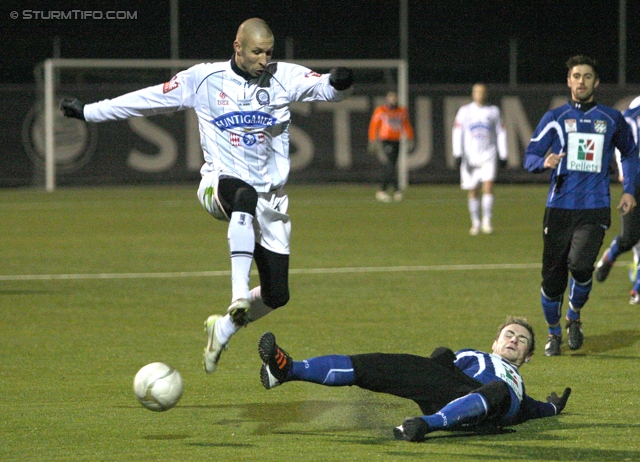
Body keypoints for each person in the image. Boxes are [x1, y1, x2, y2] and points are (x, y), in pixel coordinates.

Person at [59, 18, 354, 374]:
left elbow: (325, 88)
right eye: (256, 52)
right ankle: (237, 293)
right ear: (238, 47)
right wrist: (89, 112)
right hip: (219, 185)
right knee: (241, 195)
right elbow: (147, 100)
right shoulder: (203, 80)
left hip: (271, 201)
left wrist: (340, 80)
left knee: (278, 294)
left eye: (268, 53)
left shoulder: (284, 76)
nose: (263, 60)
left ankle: (224, 327)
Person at [258, 316, 571, 442]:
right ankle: (288, 370)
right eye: (509, 334)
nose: (514, 340)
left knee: (499, 389)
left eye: (522, 340)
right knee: (378, 365)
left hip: (484, 407)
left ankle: (426, 424)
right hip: (446, 386)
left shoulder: (516, 383)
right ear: (495, 342)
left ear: (528, 356)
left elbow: (539, 410)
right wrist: (437, 360)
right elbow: (436, 366)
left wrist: (554, 407)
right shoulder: (470, 354)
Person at [523, 55, 638, 356]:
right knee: (552, 279)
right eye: (577, 76)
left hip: (595, 206)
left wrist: (629, 190)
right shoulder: (555, 117)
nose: (582, 81)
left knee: (581, 265)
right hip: (559, 207)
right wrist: (542, 161)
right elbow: (530, 155)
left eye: (588, 76)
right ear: (569, 81)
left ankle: (573, 316)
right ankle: (553, 333)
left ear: (596, 82)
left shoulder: (612, 118)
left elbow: (630, 153)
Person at [594, 95, 640, 304]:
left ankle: (637, 289)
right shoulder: (628, 118)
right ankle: (611, 254)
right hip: (635, 184)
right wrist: (624, 174)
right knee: (630, 236)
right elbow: (623, 147)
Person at [452, 83, 508, 235]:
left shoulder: (493, 111)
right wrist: (457, 153)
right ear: (473, 94)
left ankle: (487, 221)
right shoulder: (464, 111)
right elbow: (457, 132)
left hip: (488, 155)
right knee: (473, 190)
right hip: (470, 157)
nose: (480, 94)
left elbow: (501, 132)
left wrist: (503, 154)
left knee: (488, 186)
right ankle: (475, 222)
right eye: (477, 92)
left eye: (482, 92)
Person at [367, 90, 415, 202]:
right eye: (391, 98)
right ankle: (389, 190)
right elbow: (374, 125)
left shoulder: (401, 111)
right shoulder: (381, 110)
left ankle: (391, 190)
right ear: (387, 99)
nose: (393, 100)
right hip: (386, 140)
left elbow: (406, 124)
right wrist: (372, 139)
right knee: (391, 164)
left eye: (394, 98)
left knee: (392, 164)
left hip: (396, 139)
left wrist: (410, 136)